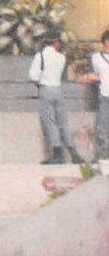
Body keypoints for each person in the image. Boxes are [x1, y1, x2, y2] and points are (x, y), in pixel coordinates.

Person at [28, 34, 80, 165]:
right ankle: (73, 153)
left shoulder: (40, 56)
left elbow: (33, 76)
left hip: (46, 89)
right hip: (58, 89)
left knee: (50, 122)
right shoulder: (61, 57)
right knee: (63, 122)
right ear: (55, 43)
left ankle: (57, 154)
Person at [80, 29, 109, 162]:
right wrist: (87, 77)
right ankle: (104, 155)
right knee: (102, 127)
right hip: (105, 96)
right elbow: (99, 76)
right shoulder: (97, 58)